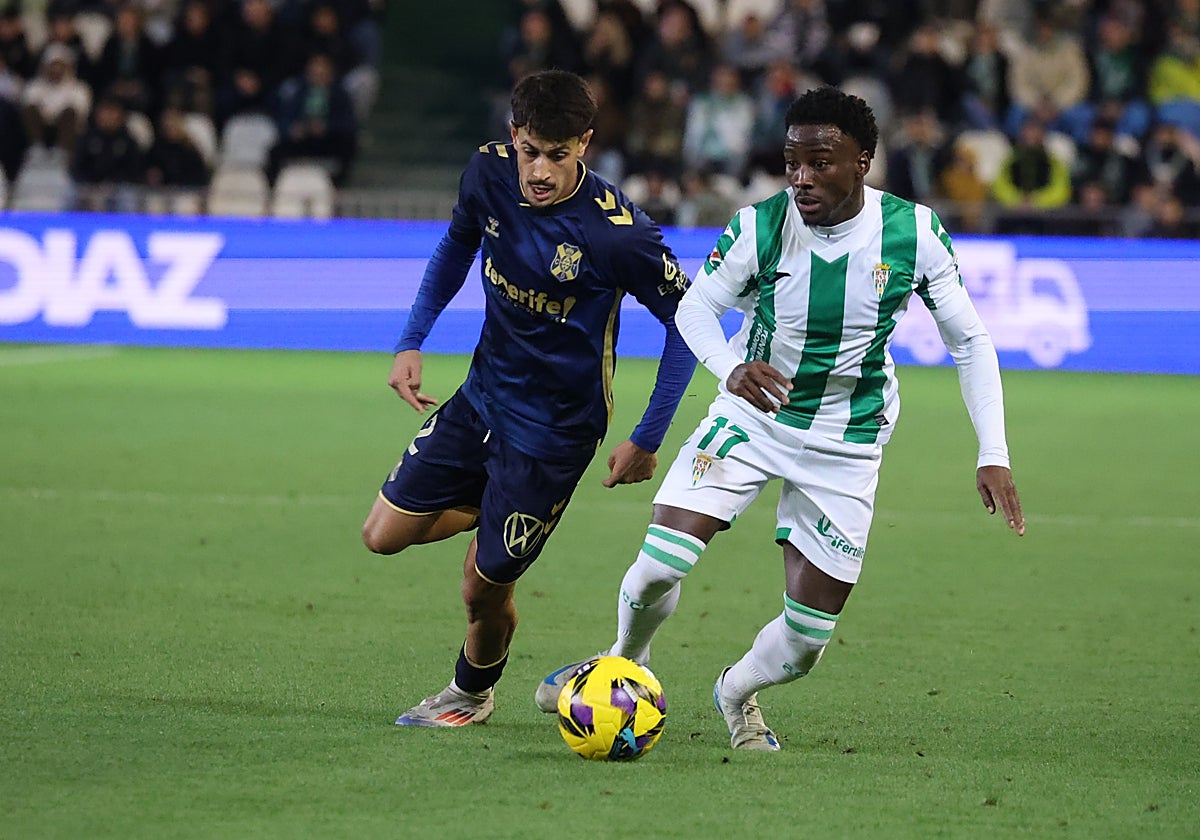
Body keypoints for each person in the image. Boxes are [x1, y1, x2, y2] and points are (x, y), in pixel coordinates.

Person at [534, 86, 1025, 751]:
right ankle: (623, 660)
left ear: (863, 162)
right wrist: (730, 369)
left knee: (806, 643)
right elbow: (695, 308)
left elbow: (969, 341)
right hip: (752, 418)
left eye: (821, 163)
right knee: (657, 566)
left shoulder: (913, 233)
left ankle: (736, 692)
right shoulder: (758, 227)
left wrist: (992, 451)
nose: (802, 178)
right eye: (793, 162)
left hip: (847, 442)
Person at [361, 69, 697, 727]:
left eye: (558, 155)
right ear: (513, 135)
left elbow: (687, 323)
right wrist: (412, 340)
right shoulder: (487, 173)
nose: (540, 171)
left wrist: (648, 436)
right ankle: (494, 509)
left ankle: (469, 694)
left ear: (585, 144)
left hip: (553, 434)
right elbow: (457, 244)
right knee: (381, 536)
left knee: (481, 588)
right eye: (530, 151)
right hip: (481, 399)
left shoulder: (618, 234)